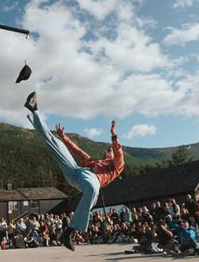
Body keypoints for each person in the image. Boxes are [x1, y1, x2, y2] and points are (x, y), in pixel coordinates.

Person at [24, 92, 125, 251]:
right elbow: (78, 151)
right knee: (55, 144)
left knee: (93, 189)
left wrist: (113, 136)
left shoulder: (116, 166)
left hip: (91, 180)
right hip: (77, 173)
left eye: (110, 151)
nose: (108, 151)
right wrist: (64, 138)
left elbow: (118, 153)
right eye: (107, 150)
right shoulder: (94, 160)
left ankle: (68, 232)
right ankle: (34, 110)